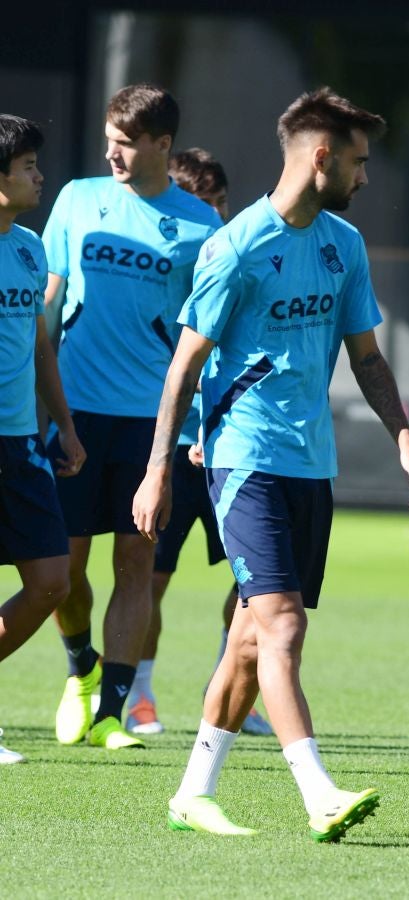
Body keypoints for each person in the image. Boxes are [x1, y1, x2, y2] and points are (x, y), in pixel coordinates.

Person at [131, 87, 409, 841]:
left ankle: (192, 793)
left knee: (248, 641)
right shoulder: (235, 248)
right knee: (283, 627)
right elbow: (184, 366)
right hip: (244, 461)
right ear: (321, 158)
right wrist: (159, 468)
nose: (365, 177)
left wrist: (401, 436)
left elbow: (367, 357)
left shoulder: (344, 245)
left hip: (310, 466)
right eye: (358, 162)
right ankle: (318, 791)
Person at [43, 84, 222, 750]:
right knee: (62, 571)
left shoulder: (202, 226)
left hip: (152, 423)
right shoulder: (77, 199)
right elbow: (48, 304)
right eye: (108, 141)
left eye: (125, 143)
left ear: (162, 145)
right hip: (74, 413)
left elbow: (208, 336)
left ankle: (113, 712)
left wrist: (201, 424)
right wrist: (35, 406)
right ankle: (81, 668)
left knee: (135, 562)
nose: (112, 154)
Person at [124, 147, 271, 738]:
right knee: (151, 577)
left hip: (229, 446)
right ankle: (139, 695)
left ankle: (229, 690)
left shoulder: (239, 263)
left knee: (255, 582)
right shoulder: (170, 269)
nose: (215, 217)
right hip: (175, 451)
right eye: (204, 204)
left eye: (222, 204)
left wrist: (218, 428)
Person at [0, 115, 86, 763]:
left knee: (53, 581)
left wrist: (65, 425)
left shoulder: (31, 249)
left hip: (21, 440)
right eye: (28, 166)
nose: (40, 176)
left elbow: (38, 347)